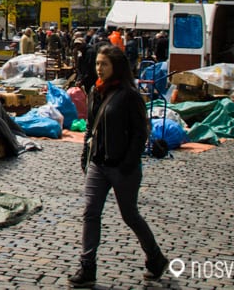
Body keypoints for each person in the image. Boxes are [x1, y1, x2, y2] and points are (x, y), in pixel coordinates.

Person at [71, 45, 167, 287]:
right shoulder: (95, 90)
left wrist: (128, 162)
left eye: (104, 64)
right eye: (97, 64)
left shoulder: (129, 95)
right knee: (91, 213)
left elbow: (140, 132)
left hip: (122, 166)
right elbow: (90, 128)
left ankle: (155, 258)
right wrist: (86, 155)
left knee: (130, 215)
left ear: (116, 67)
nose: (99, 69)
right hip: (99, 164)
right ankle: (87, 266)